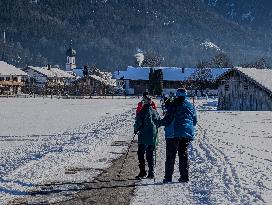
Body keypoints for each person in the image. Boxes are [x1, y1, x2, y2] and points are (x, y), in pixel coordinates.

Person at [160, 88, 197, 183]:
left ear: (177, 94)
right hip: (186, 134)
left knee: (171, 155)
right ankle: (184, 177)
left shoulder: (174, 104)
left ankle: (168, 178)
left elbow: (167, 119)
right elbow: (195, 121)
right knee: (183, 155)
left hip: (174, 134)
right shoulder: (190, 105)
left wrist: (158, 123)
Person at [134, 97, 160, 179]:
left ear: (144, 103)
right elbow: (158, 122)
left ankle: (142, 172)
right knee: (150, 154)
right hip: (153, 136)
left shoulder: (142, 112)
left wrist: (135, 129)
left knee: (141, 154)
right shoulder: (155, 111)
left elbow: (138, 123)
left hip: (144, 136)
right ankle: (151, 173)